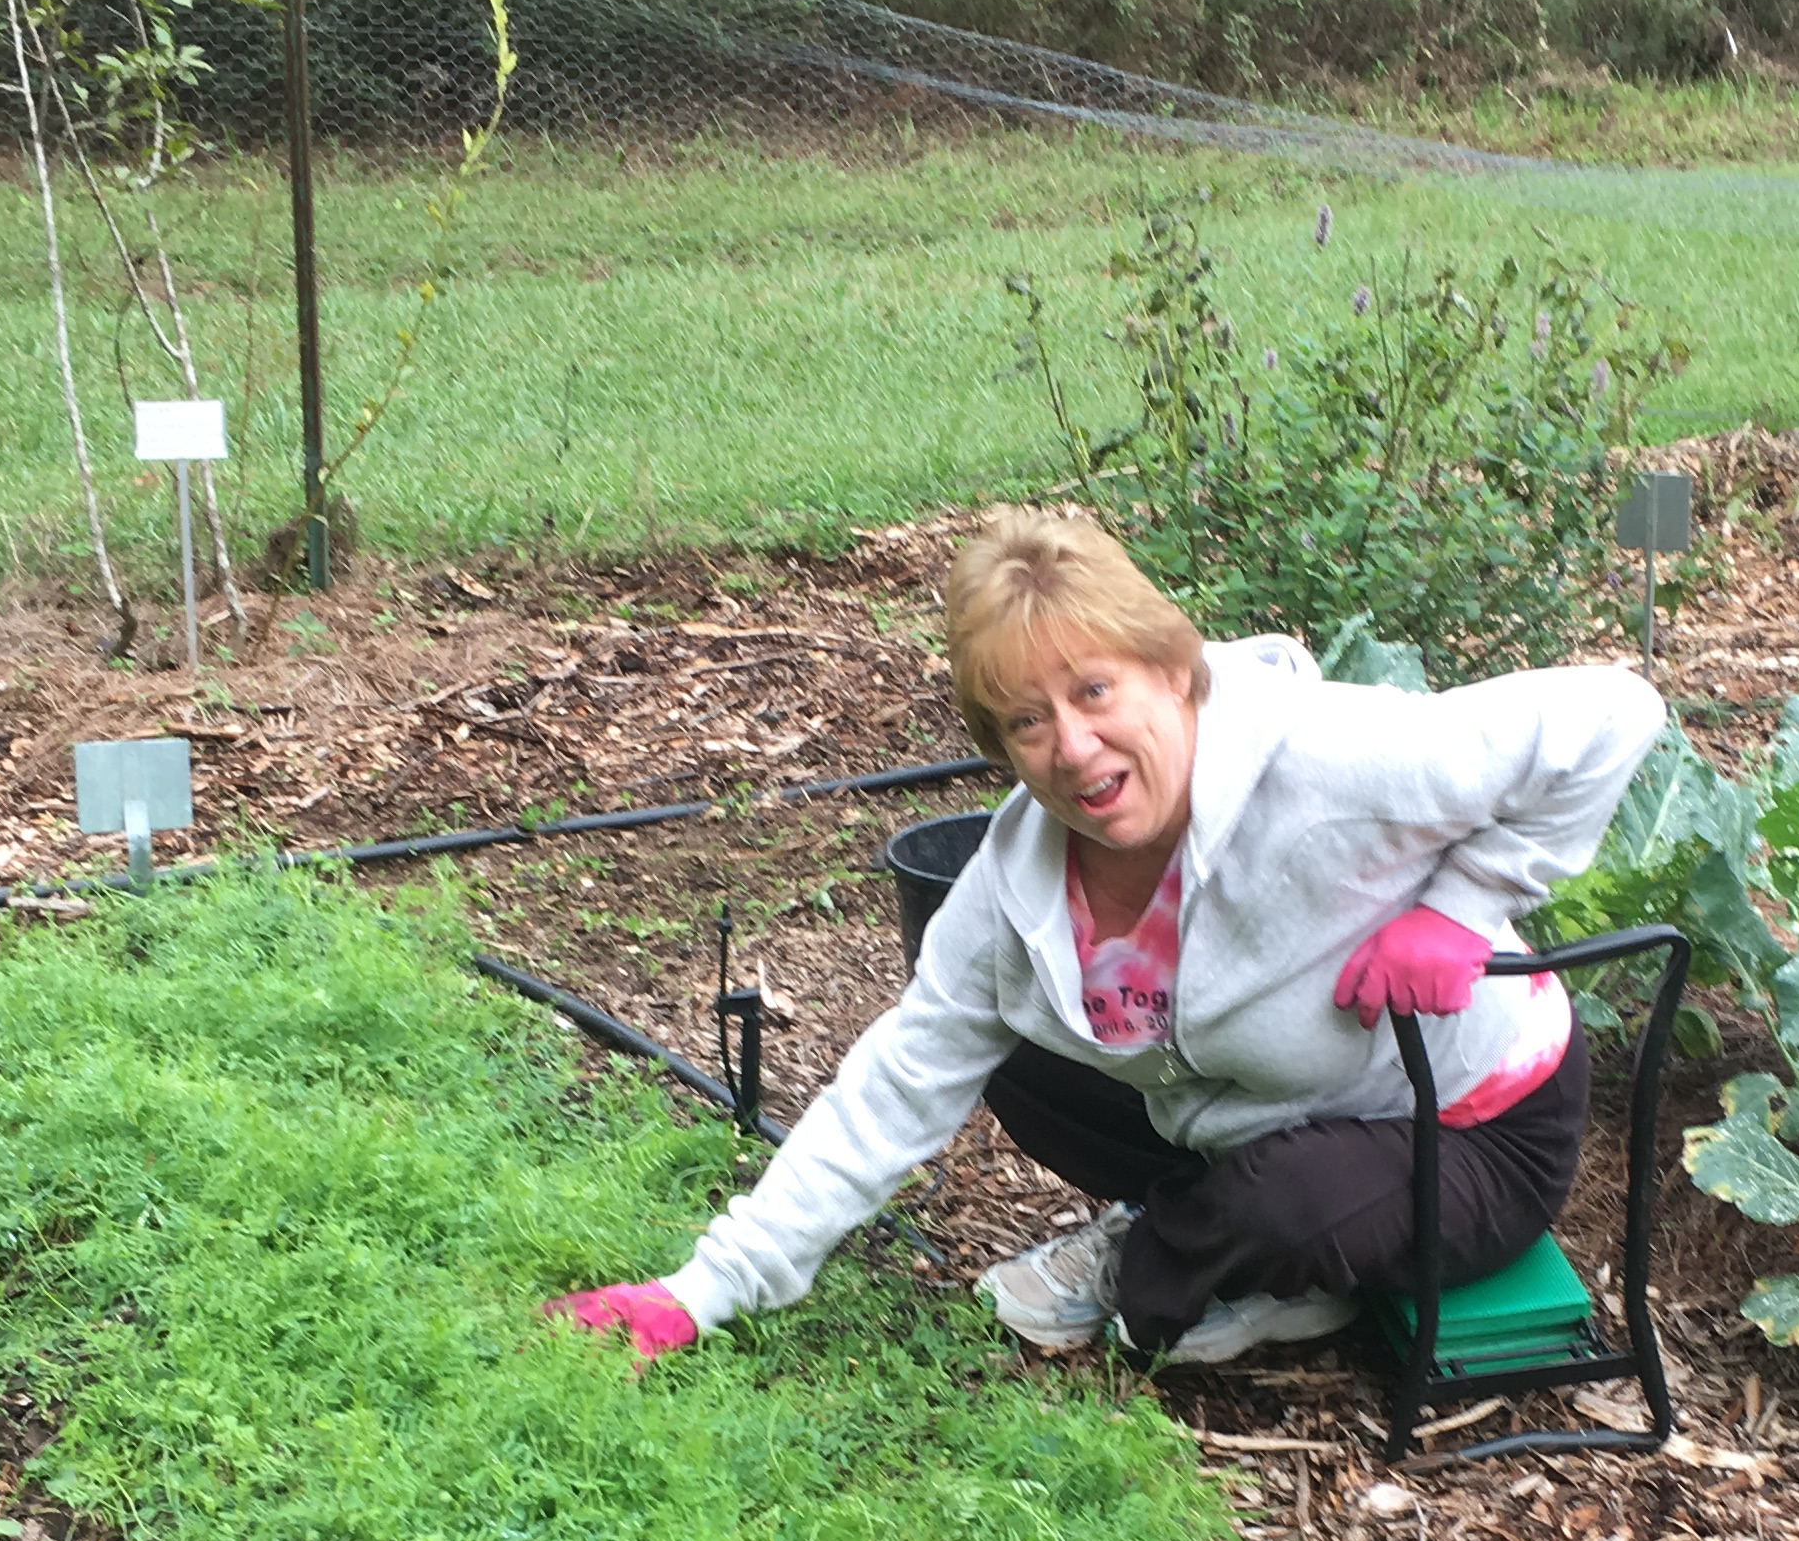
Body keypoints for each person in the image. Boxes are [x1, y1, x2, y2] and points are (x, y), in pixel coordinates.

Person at [553, 510, 1664, 1370]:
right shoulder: (1017, 881)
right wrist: (701, 1291)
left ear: (1171, 671)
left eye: (1095, 690)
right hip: (1269, 1105)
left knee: (1289, 1204)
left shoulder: (1327, 764)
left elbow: (1611, 713)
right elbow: (895, 1083)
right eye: (1027, 722)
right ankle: (1261, 1243)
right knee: (1019, 1059)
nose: (1073, 748)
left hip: (1472, 1127)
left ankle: (1178, 1267)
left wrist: (1463, 908)